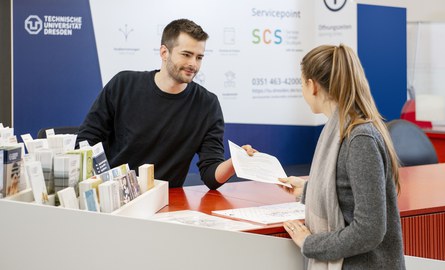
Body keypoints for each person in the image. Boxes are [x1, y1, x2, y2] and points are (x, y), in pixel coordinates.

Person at [77, 19, 255, 189]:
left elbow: (210, 175)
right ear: (164, 52)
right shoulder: (123, 84)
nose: (193, 64)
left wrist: (235, 162)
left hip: (166, 204)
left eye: (199, 57)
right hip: (115, 198)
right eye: (186, 54)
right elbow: (86, 143)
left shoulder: (207, 104)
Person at [279, 44, 406, 269]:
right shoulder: (341, 130)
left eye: (301, 84)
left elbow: (369, 230)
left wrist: (311, 243)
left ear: (312, 86)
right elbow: (347, 193)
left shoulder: (359, 139)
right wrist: (306, 190)